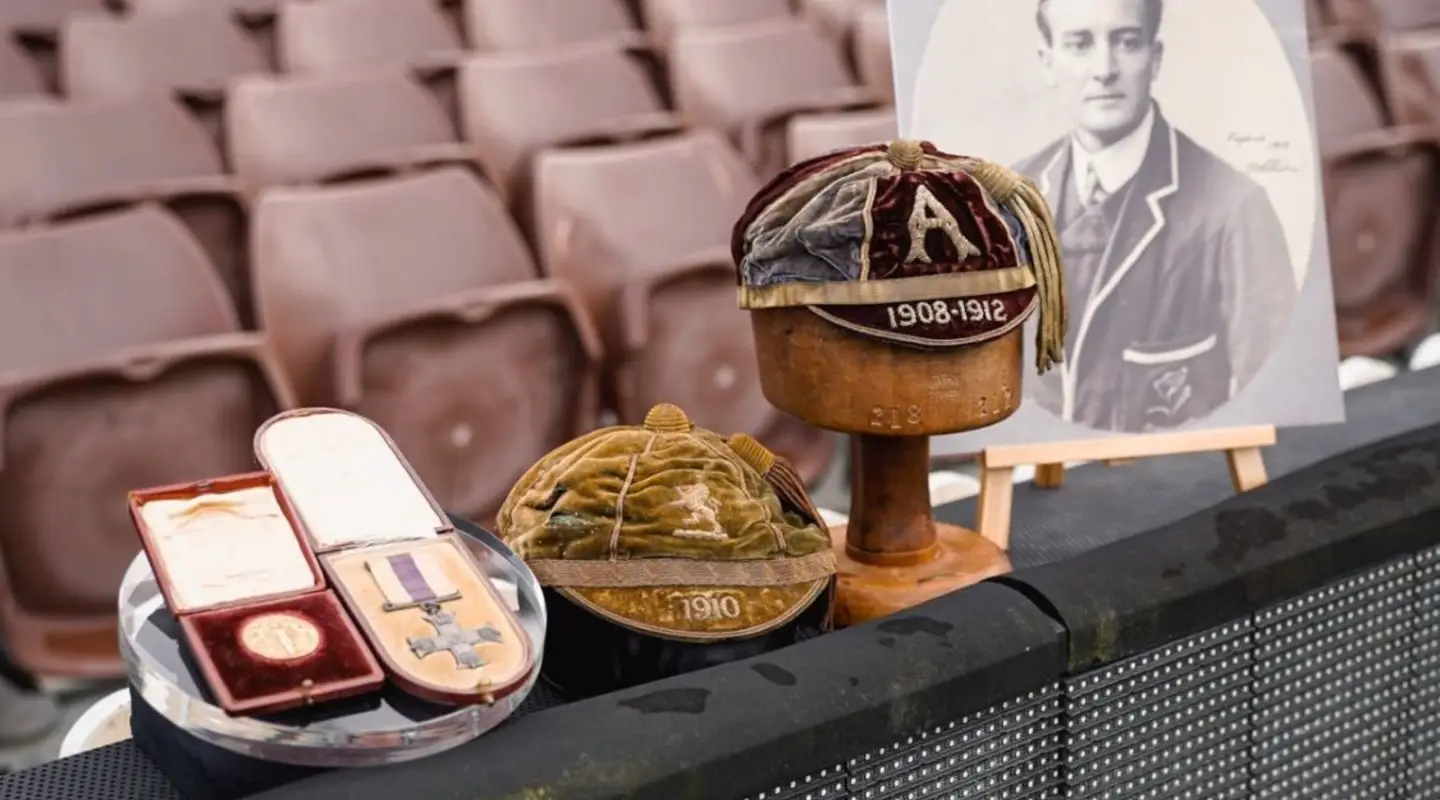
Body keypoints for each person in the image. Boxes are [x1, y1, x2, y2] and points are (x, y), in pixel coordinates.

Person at [1014, 0, 1298, 433]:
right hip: (1041, 465)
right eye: (1080, 44)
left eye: (1127, 42)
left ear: (1156, 57)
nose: (1104, 69)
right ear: (1048, 63)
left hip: (1176, 468)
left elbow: (1274, 396)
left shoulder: (1234, 207)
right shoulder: (1010, 198)